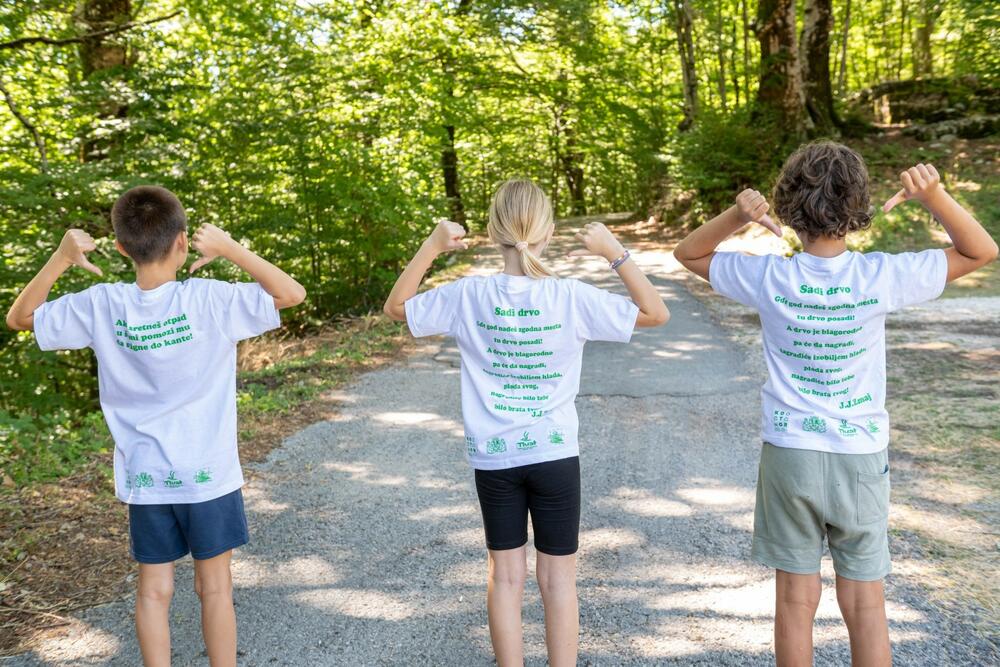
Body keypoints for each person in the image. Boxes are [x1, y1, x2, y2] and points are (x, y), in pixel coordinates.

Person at [672, 142, 998, 667]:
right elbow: (981, 251)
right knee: (866, 606)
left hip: (789, 455)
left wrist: (738, 215)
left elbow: (688, 254)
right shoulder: (880, 277)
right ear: (859, 206)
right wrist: (934, 197)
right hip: (860, 458)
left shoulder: (769, 278)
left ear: (788, 207)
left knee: (794, 603)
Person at [5, 185, 306, 667]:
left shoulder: (101, 304)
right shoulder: (210, 299)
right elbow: (291, 294)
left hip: (146, 476)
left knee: (153, 591)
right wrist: (229, 248)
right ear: (183, 242)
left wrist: (62, 258)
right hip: (208, 473)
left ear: (121, 247)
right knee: (215, 589)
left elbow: (20, 318)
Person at [383, 179, 669, 666]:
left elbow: (396, 308)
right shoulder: (570, 297)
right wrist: (614, 253)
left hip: (495, 459)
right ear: (550, 232)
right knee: (559, 581)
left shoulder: (468, 296)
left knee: (506, 577)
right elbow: (655, 313)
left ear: (494, 231)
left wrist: (431, 247)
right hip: (555, 455)